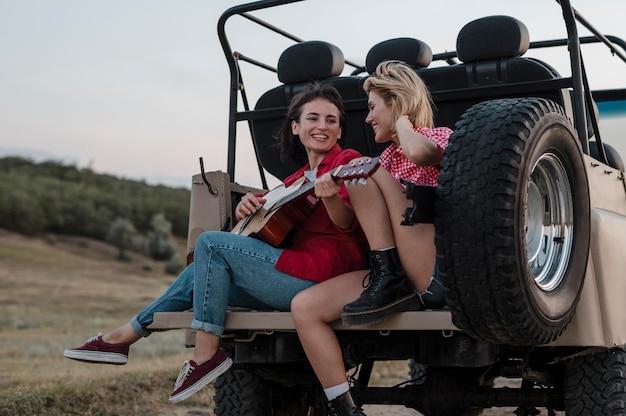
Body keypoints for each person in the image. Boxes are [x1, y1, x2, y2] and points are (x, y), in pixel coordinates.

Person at [63, 83, 367, 404]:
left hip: (322, 278)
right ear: (296, 126)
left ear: (340, 129)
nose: (322, 126)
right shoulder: (299, 177)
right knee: (199, 276)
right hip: (292, 274)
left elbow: (347, 220)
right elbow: (269, 209)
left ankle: (205, 356)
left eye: (331, 120)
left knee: (211, 243)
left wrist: (330, 196)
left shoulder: (347, 161)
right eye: (313, 118)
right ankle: (121, 338)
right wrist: (245, 206)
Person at [291, 60, 452, 415]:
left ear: (396, 102)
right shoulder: (386, 160)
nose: (367, 119)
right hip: (389, 273)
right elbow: (355, 223)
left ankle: (390, 279)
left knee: (362, 169)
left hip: (433, 273)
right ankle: (344, 407)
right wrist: (331, 195)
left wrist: (404, 123)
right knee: (304, 307)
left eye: (373, 107)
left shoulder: (440, 138)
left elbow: (422, 154)